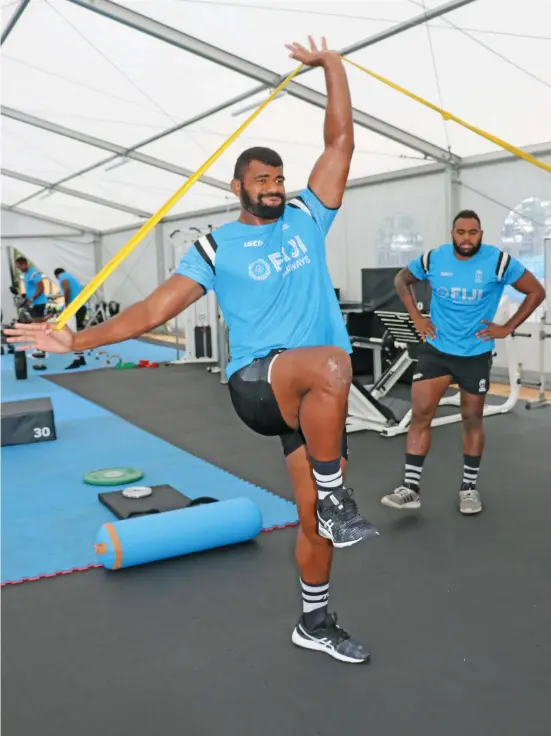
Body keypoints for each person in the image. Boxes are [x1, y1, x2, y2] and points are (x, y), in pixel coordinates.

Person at [6, 37, 378, 665]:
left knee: (315, 522)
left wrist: (333, 66)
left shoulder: (309, 217)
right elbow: (154, 310)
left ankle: (314, 619)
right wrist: (77, 339)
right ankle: (338, 491)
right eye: (263, 180)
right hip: (257, 384)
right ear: (237, 186)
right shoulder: (215, 246)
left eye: (281, 179)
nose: (276, 187)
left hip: (311, 399)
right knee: (335, 364)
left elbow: (339, 142)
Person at [381, 210, 546, 515]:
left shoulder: (498, 262)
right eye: (461, 232)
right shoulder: (434, 259)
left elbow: (536, 291)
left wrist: (507, 327)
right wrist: (416, 317)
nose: (466, 238)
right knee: (420, 414)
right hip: (437, 350)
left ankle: (468, 488)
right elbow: (402, 279)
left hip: (474, 353)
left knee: (472, 419)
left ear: (481, 234)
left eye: (472, 233)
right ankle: (410, 488)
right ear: (452, 233)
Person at [54, 268, 87, 370]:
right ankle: (81, 358)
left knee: (73, 334)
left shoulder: (62, 277)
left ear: (57, 275)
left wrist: (67, 304)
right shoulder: (72, 277)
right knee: (79, 333)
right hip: (81, 307)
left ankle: (77, 359)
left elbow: (67, 288)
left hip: (74, 308)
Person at [15, 257, 48, 322]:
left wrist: (31, 299)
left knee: (38, 324)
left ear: (24, 264)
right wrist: (25, 299)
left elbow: (41, 288)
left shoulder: (33, 273)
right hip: (32, 303)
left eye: (19, 267)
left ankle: (49, 317)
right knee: (33, 323)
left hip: (38, 303)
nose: (19, 269)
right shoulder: (26, 274)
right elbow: (30, 289)